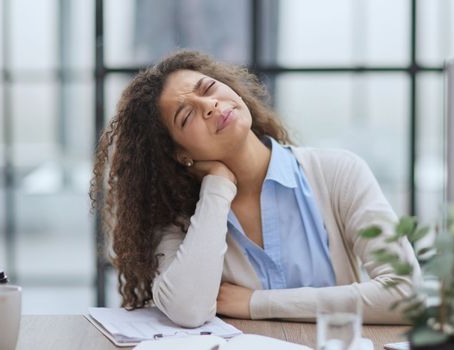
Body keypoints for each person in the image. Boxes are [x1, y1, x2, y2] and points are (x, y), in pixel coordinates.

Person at [90, 50, 420, 328]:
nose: (209, 105)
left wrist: (257, 304)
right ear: (181, 155)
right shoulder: (181, 217)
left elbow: (407, 294)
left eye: (208, 88)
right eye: (186, 116)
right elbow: (188, 310)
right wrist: (218, 187)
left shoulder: (338, 173)